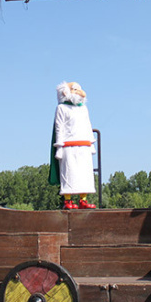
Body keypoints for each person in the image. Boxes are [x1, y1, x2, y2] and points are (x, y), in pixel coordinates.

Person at [49, 81, 97, 209]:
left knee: (84, 173)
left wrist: (91, 143)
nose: (79, 92)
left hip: (83, 144)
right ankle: (68, 200)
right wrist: (59, 146)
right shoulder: (61, 108)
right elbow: (59, 127)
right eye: (75, 89)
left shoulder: (83, 109)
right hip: (68, 146)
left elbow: (88, 125)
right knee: (69, 172)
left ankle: (83, 199)